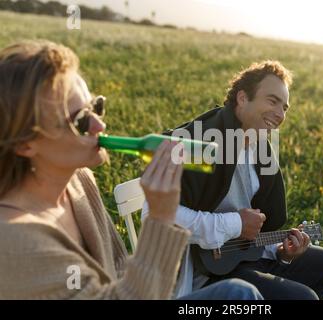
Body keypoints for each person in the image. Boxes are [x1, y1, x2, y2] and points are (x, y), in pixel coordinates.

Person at [0, 40, 263, 300]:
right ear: (25, 143)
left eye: (96, 107)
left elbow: (118, 267)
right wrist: (161, 217)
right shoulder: (15, 242)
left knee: (240, 293)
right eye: (80, 121)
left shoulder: (78, 180)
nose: (99, 126)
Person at [143, 61, 323, 300]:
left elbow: (255, 227)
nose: (280, 114)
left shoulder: (260, 150)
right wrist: (235, 224)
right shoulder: (200, 142)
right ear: (243, 98)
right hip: (203, 273)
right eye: (272, 101)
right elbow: (157, 216)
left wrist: (282, 252)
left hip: (239, 259)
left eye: (285, 107)